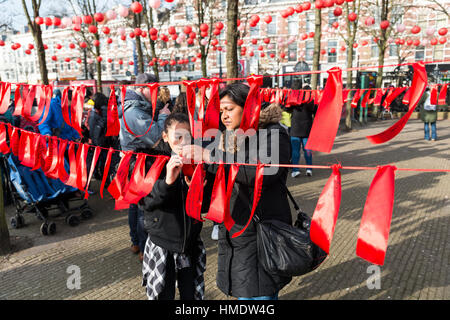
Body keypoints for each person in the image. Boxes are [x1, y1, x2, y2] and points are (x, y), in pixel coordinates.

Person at [181, 83, 292, 300]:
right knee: (244, 289)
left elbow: (261, 173)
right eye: (221, 111)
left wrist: (209, 157)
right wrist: (199, 182)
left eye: (229, 109)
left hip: (262, 228)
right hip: (235, 226)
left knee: (259, 293)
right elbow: (225, 178)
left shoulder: (274, 134)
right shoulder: (229, 135)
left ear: (249, 107)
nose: (224, 116)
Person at [140, 113, 206, 300]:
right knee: (164, 294)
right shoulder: (152, 161)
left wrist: (199, 187)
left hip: (190, 243)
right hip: (163, 243)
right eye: (177, 136)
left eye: (187, 136)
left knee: (190, 295)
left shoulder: (197, 160)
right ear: (165, 136)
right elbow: (145, 203)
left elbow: (205, 205)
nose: (183, 142)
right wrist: (167, 182)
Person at [118, 73, 170, 261]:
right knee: (143, 208)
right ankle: (144, 246)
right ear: (142, 88)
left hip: (139, 162)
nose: (156, 93)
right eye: (153, 89)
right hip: (139, 164)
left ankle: (139, 243)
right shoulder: (134, 112)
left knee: (138, 205)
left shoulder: (137, 108)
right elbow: (155, 137)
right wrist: (164, 118)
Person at [289, 85, 316, 178]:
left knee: (295, 151)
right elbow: (316, 112)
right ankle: (309, 169)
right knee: (307, 150)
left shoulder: (295, 100)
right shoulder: (311, 102)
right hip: (307, 129)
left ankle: (295, 170)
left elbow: (286, 109)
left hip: (295, 129)